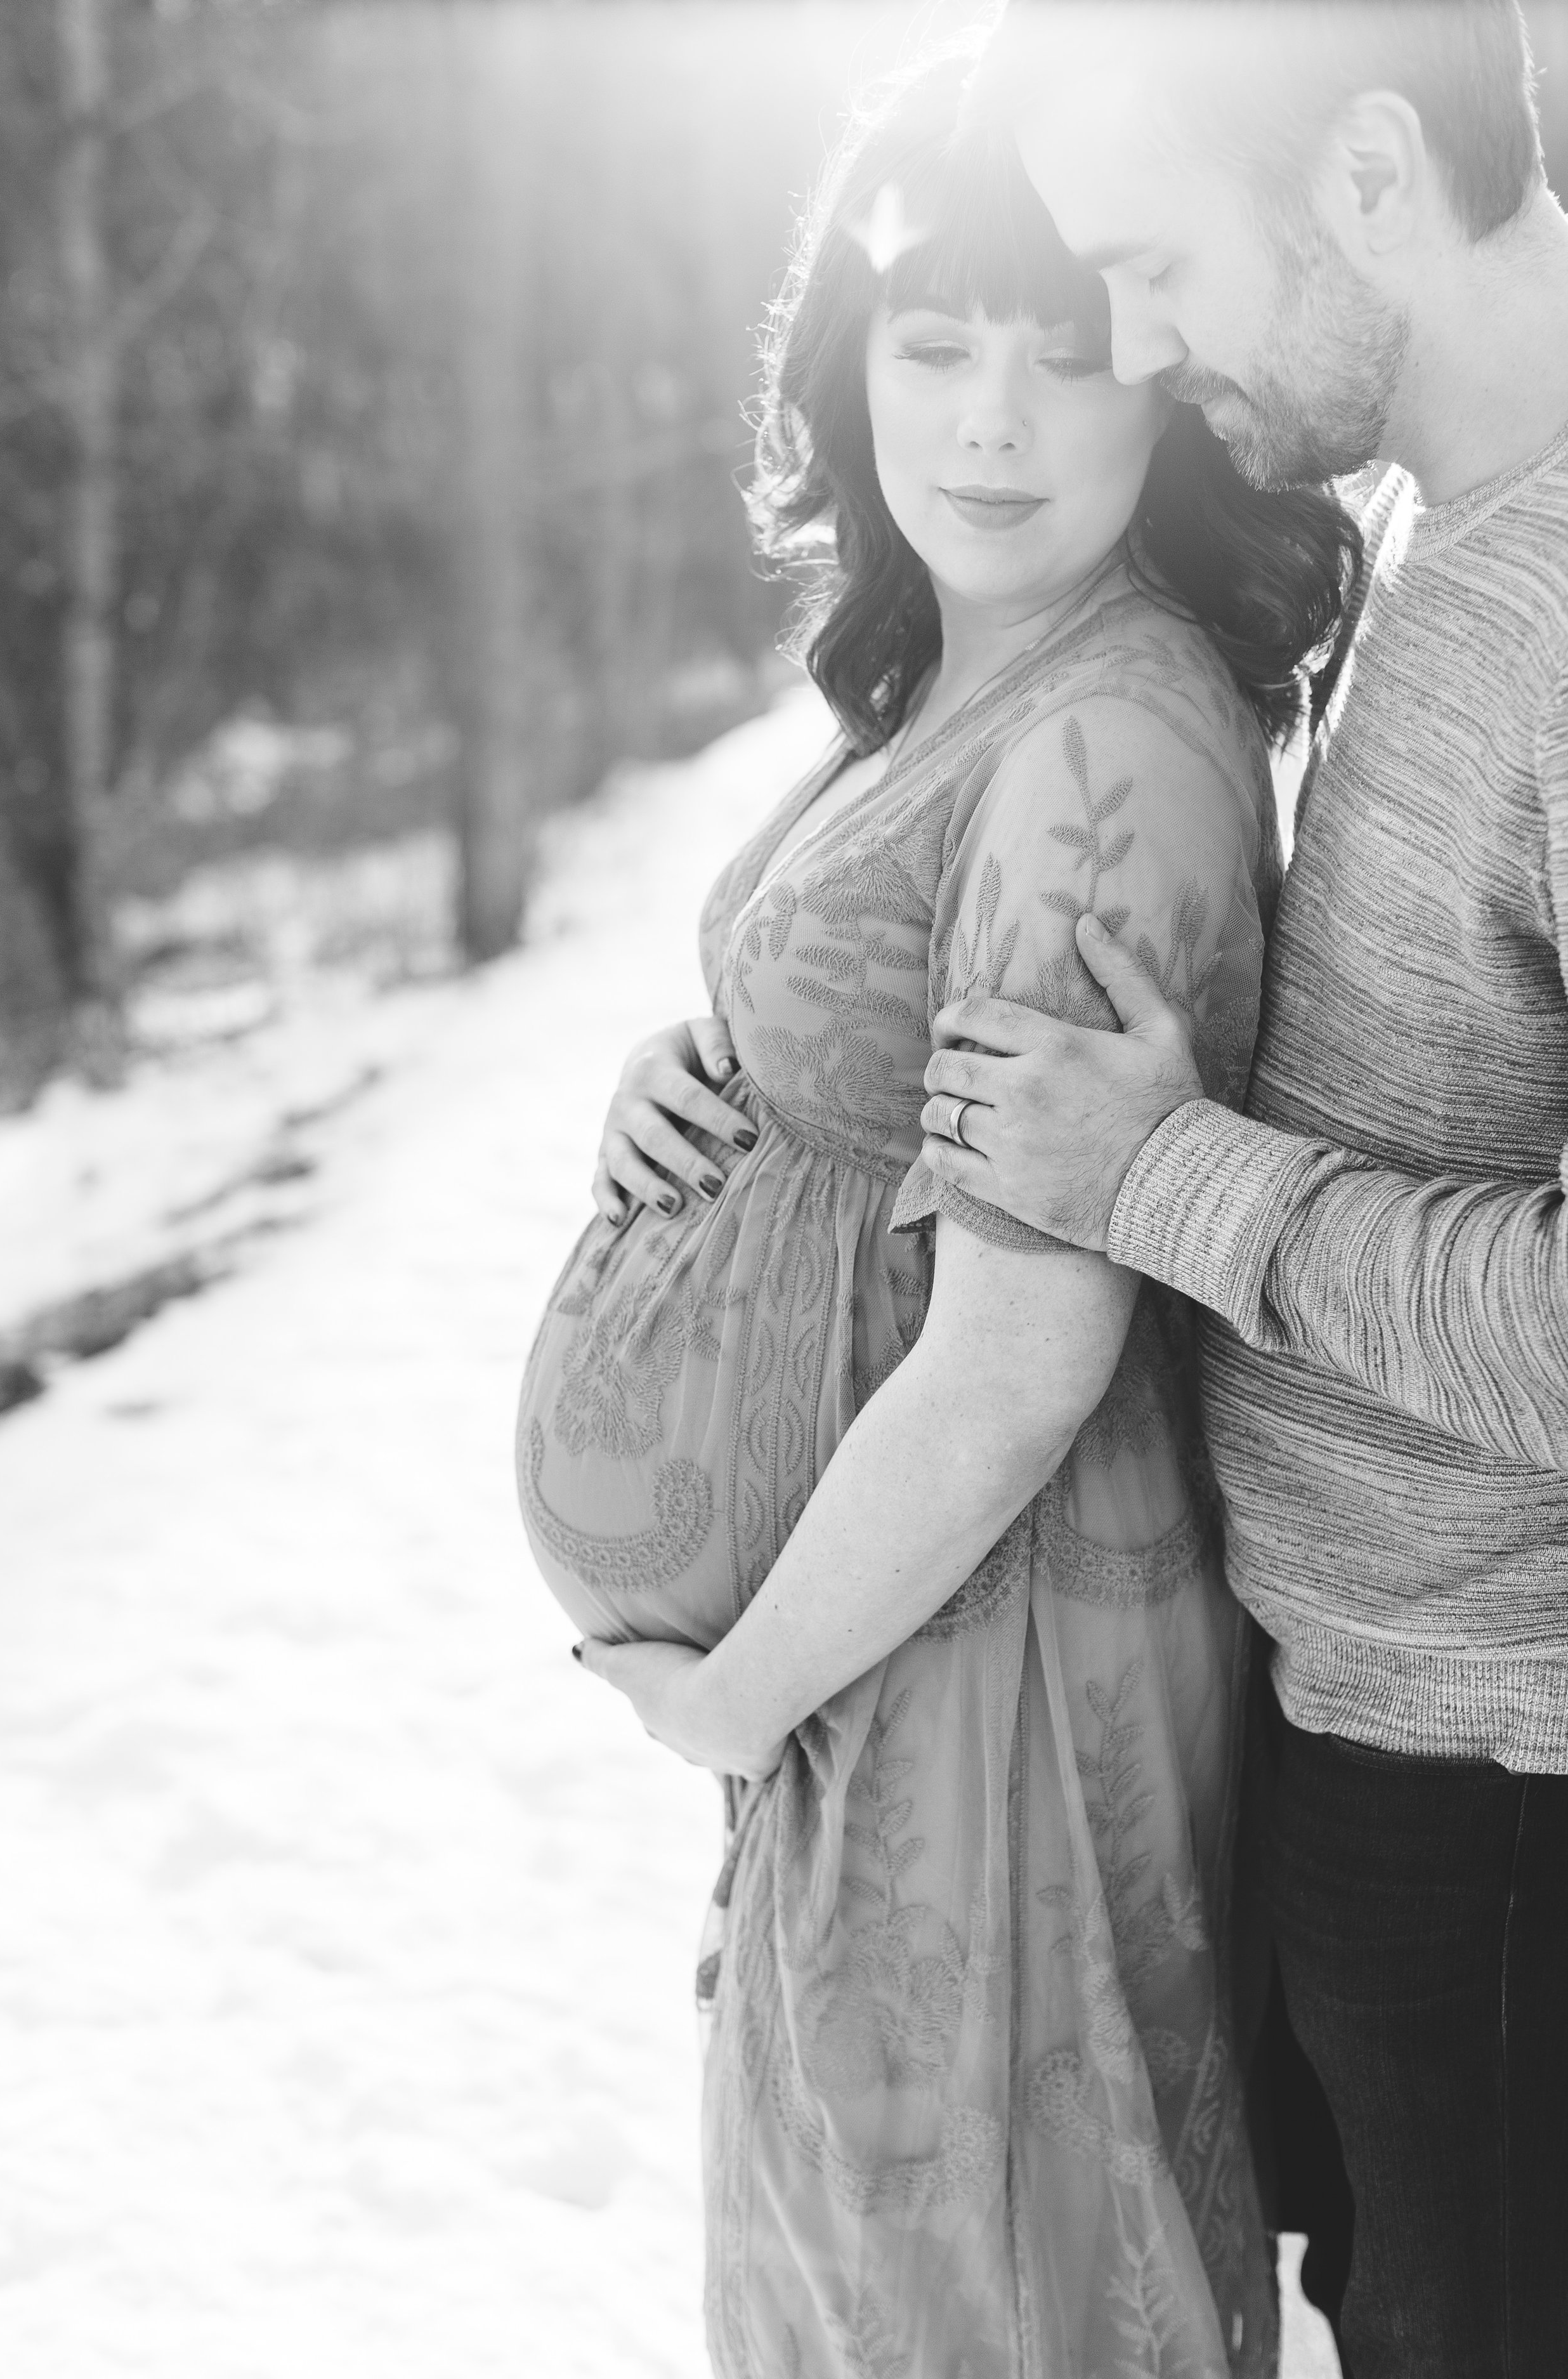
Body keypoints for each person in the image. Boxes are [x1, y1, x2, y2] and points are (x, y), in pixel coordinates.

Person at [518, 43, 1359, 2377]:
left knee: (980, 2301)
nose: (989, 422)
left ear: (1160, 384)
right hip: (888, 1660)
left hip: (982, 1656)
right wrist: (691, 1087)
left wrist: (736, 1707)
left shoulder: (1107, 739)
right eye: (931, 341)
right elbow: (868, 1064)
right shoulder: (972, 677)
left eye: (1065, 349)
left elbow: (1020, 1353)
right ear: (848, 355)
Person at [910, 6, 1568, 2375]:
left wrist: (1168, 1177)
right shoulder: (1438, 514)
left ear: (1371, 171)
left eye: (1157, 262)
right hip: (1371, 1745)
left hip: (1511, 1803)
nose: (1139, 343)